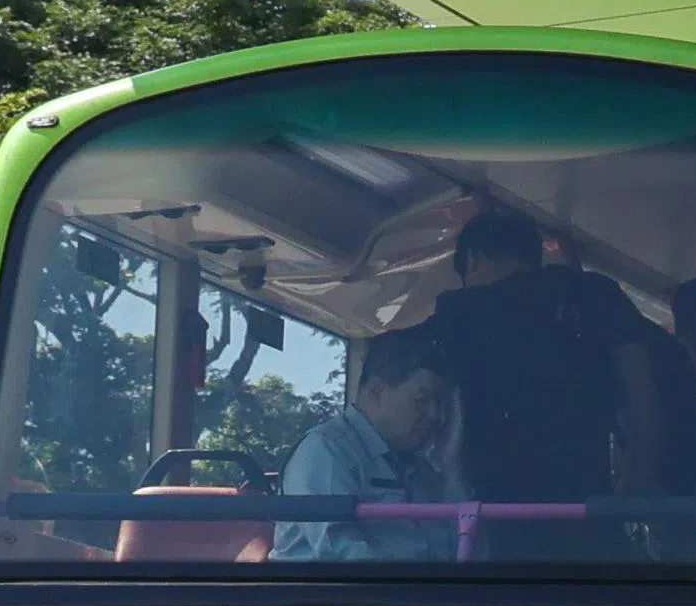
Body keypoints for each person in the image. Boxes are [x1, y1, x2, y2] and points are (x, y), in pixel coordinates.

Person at [421, 206, 668, 519]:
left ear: (472, 260)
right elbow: (640, 387)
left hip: (491, 503)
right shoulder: (594, 293)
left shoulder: (460, 310)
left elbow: (409, 365)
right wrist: (642, 472)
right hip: (586, 495)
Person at [273, 325, 459, 562]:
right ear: (376, 393)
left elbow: (457, 545)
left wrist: (452, 468)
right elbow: (340, 555)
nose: (436, 416)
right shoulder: (326, 450)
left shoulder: (418, 467)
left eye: (440, 404)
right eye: (421, 401)